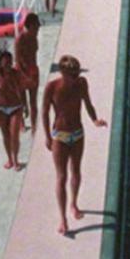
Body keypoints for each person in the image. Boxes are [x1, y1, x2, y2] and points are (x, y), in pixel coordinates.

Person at [42, 55, 107, 235]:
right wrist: (47, 136)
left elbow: (88, 103)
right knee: (61, 177)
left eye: (77, 73)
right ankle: (63, 219)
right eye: (72, 74)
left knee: (76, 171)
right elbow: (45, 112)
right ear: (63, 73)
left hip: (77, 133)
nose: (76, 76)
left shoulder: (81, 83)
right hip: (60, 136)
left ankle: (74, 204)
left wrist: (95, 120)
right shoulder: (52, 88)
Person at [0, 49, 27, 170]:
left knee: (14, 135)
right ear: (0, 63)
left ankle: (16, 160)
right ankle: (9, 159)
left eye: (10, 62)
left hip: (16, 106)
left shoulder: (16, 73)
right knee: (5, 135)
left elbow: (22, 89)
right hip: (0, 107)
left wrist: (26, 106)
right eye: (5, 63)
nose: (8, 65)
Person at [14, 12, 41, 130]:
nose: (38, 29)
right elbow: (18, 60)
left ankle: (34, 125)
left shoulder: (34, 38)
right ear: (29, 26)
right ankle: (22, 124)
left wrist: (34, 74)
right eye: (36, 26)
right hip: (21, 72)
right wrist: (26, 75)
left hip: (32, 70)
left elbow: (34, 57)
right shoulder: (20, 39)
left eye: (38, 26)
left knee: (33, 102)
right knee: (21, 101)